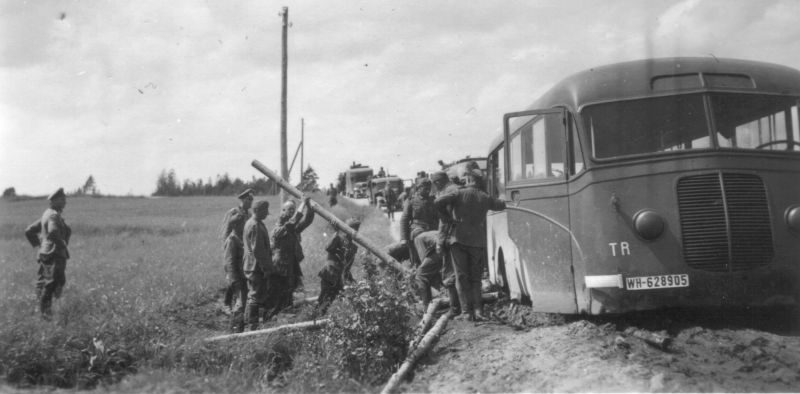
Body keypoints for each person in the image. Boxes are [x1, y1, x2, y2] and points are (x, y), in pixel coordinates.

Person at [435, 169, 506, 321]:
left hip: (458, 239)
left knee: (461, 277)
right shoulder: (485, 197)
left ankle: (466, 313)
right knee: (476, 278)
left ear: (469, 180)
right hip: (477, 241)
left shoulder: (458, 193)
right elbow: (501, 205)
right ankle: (479, 311)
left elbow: (438, 202)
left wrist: (447, 218)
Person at [24, 188, 72, 319]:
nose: (65, 202)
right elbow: (52, 232)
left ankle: (39, 311)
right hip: (54, 254)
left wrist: (40, 246)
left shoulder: (47, 213)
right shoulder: (53, 215)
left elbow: (29, 231)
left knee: (44, 282)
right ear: (54, 201)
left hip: (45, 253)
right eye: (62, 200)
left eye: (65, 199)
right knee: (52, 284)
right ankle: (45, 314)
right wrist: (62, 244)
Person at [269, 197, 315, 316]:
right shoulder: (279, 227)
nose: (291, 212)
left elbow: (307, 221)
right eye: (289, 209)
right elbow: (293, 222)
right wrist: (303, 203)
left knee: (290, 286)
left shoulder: (292, 226)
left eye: (293, 209)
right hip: (279, 264)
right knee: (281, 289)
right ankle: (275, 313)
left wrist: (310, 208)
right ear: (282, 211)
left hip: (290, 262)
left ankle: (286, 309)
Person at [220, 189, 253, 332]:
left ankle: (235, 314)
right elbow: (227, 230)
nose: (250, 202)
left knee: (241, 289)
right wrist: (228, 244)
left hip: (242, 249)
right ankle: (228, 306)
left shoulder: (249, 214)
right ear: (242, 200)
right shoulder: (234, 213)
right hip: (234, 248)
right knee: (236, 283)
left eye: (251, 200)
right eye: (248, 200)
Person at [431, 170, 462, 315]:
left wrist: (439, 242)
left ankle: (455, 308)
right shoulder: (453, 189)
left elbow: (443, 223)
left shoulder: (447, 192)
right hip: (461, 235)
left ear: (438, 182)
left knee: (449, 273)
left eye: (434, 183)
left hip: (450, 236)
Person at [317, 218, 360, 314]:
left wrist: (351, 280)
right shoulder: (338, 238)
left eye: (356, 228)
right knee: (323, 297)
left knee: (330, 299)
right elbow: (328, 248)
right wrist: (336, 232)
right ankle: (315, 318)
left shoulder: (353, 247)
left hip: (339, 278)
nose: (354, 230)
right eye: (353, 228)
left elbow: (347, 266)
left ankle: (319, 316)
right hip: (329, 273)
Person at [243, 200, 273, 330]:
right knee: (255, 295)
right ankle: (252, 326)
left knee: (255, 294)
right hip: (256, 266)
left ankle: (249, 323)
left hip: (252, 264)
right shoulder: (255, 225)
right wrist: (266, 268)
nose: (267, 214)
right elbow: (258, 251)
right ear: (258, 211)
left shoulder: (252, 223)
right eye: (265, 211)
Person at [399, 178, 438, 267]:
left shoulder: (433, 200)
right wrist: (403, 238)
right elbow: (404, 219)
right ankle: (423, 267)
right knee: (418, 258)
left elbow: (438, 218)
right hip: (417, 229)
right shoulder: (411, 201)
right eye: (425, 188)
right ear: (419, 188)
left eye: (429, 188)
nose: (428, 191)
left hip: (432, 230)